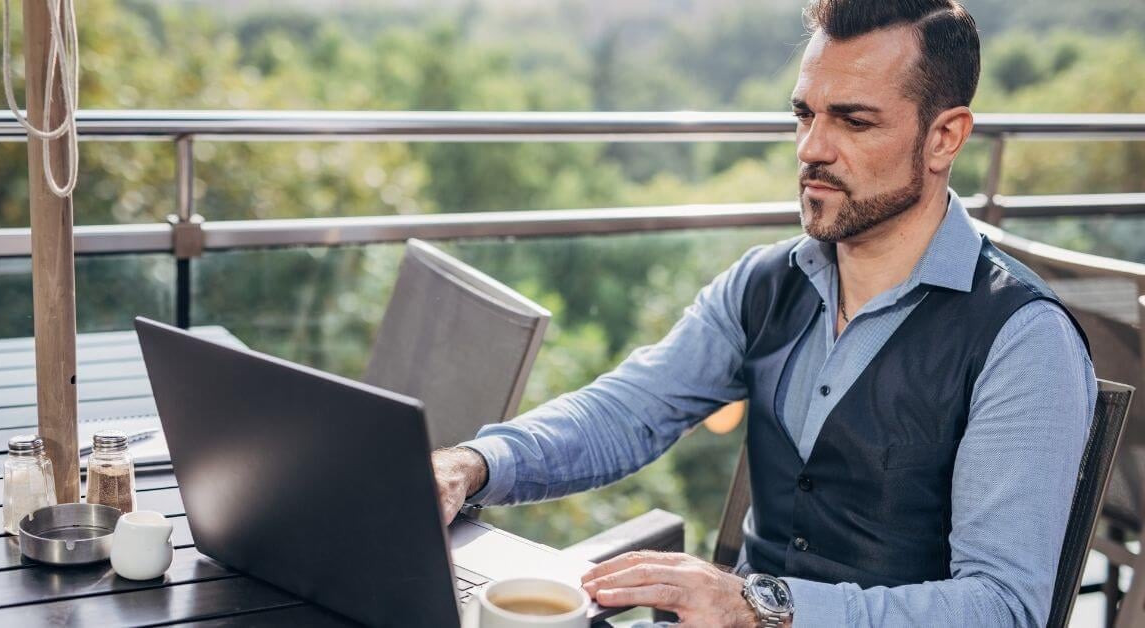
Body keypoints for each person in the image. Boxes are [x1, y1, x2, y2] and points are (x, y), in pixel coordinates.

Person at [432, 0, 1096, 625]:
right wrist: (474, 462)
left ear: (944, 138)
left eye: (854, 121)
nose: (811, 148)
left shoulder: (1023, 339)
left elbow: (1003, 608)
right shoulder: (765, 283)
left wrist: (761, 606)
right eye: (804, 114)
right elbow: (626, 411)